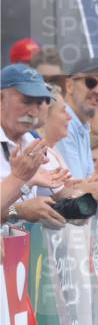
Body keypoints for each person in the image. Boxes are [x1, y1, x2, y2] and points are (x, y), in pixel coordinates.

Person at [0, 63, 65, 227]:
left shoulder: (31, 142)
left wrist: (82, 198)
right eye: (27, 101)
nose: (34, 112)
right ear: (1, 99)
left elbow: (61, 196)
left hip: (26, 250)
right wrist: (20, 181)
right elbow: (16, 210)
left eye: (39, 103)